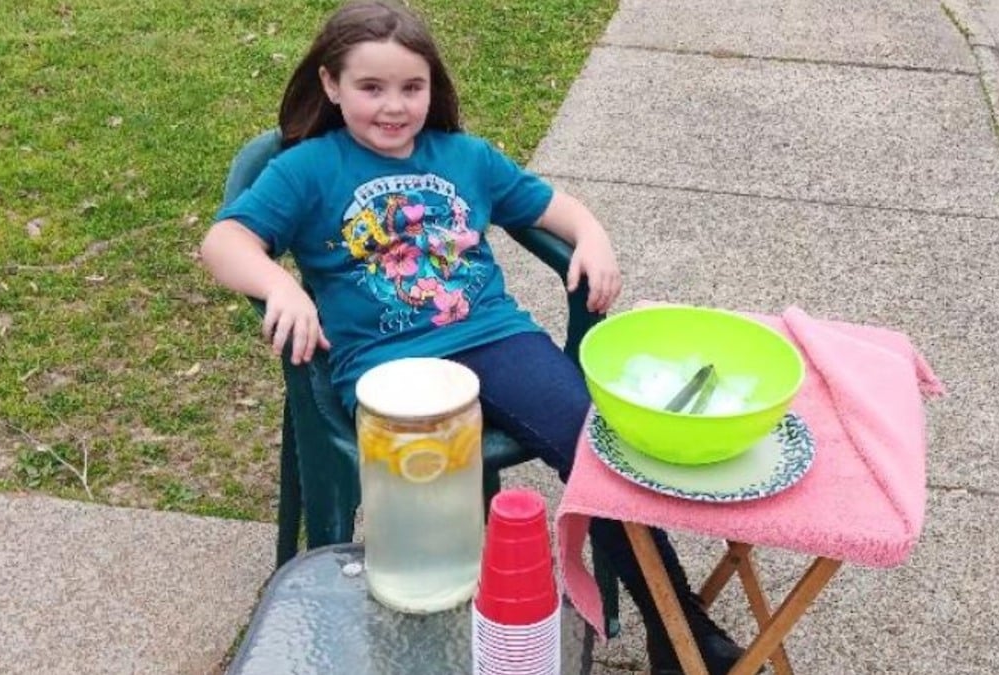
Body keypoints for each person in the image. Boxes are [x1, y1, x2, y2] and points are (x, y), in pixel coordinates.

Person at [199, 2, 748, 672]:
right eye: (371, 88)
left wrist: (594, 235)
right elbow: (224, 241)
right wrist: (281, 285)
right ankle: (440, 642)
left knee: (595, 443)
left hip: (493, 339)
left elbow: (553, 207)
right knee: (429, 512)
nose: (394, 107)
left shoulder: (465, 157)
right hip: (386, 364)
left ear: (433, 86)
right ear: (332, 84)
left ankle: (681, 631)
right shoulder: (307, 168)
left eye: (412, 87)